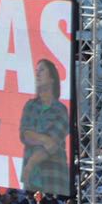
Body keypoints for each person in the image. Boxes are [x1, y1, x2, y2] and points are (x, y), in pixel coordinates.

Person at [19, 59, 69, 194]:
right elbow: (25, 135)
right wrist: (45, 139)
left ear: (52, 78)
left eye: (41, 70)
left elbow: (53, 145)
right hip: (31, 181)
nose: (37, 74)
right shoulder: (30, 106)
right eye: (36, 71)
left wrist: (30, 164)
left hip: (54, 178)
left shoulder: (61, 110)